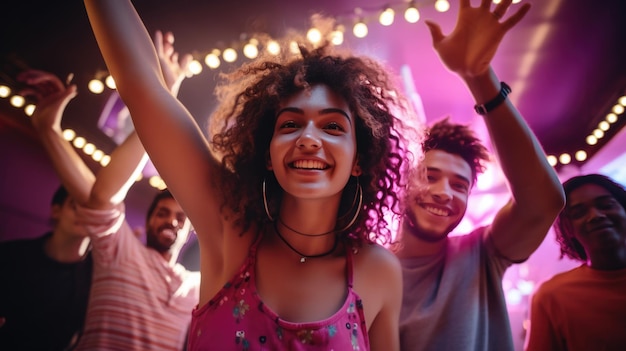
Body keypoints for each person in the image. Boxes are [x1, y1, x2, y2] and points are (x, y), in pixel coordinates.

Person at [83, 0, 423, 349]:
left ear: (359, 160)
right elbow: (142, 87)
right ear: (267, 155)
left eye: (332, 127)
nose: (308, 138)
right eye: (290, 124)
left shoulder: (379, 271)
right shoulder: (230, 228)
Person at [393, 1, 566, 350]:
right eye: (430, 175)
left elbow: (544, 202)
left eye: (460, 185)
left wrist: (480, 78)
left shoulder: (480, 254)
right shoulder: (361, 265)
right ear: (401, 181)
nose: (445, 192)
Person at [15, 30, 200, 350]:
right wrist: (164, 94)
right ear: (148, 220)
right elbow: (101, 197)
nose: (172, 220)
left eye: (181, 216)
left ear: (192, 230)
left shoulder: (198, 285)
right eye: (163, 213)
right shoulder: (119, 250)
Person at [524, 174, 626, 351]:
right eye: (579, 213)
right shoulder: (551, 296)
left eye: (606, 205)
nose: (596, 216)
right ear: (568, 229)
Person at [0, 185, 93, 351]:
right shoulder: (11, 255)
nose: (85, 214)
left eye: (92, 209)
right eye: (75, 205)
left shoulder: (99, 278)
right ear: (56, 211)